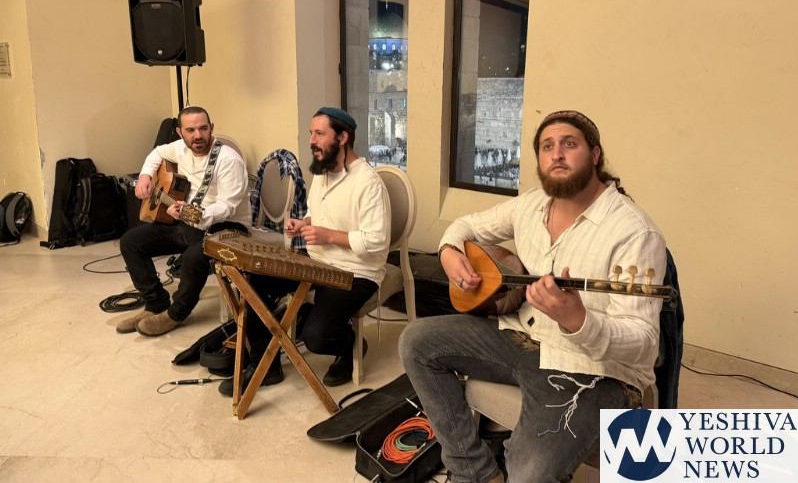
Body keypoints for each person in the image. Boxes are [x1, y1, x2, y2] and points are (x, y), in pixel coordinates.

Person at [399, 110, 667, 483]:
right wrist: (449, 252)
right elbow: (466, 225)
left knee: (529, 474)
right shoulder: (531, 204)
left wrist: (578, 320)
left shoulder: (635, 232)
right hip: (523, 337)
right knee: (416, 341)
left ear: (595, 155)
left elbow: (644, 344)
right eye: (547, 146)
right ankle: (473, 471)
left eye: (569, 144)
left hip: (593, 368)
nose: (557, 154)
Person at [218, 107, 390, 396]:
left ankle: (350, 343)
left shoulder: (368, 182)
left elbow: (376, 241)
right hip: (316, 261)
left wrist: (328, 235)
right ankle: (265, 364)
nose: (312, 141)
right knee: (252, 282)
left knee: (316, 338)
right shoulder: (323, 172)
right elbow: (316, 213)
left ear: (343, 138)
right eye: (312, 133)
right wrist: (304, 224)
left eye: (319, 134)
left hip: (356, 272)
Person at [116, 106, 251, 337]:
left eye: (203, 128)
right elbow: (157, 153)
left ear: (211, 128)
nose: (198, 135)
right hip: (187, 222)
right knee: (131, 242)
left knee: (193, 257)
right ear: (180, 132)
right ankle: (155, 303)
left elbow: (228, 205)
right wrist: (146, 175)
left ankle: (175, 314)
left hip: (226, 227)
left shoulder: (228, 160)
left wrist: (194, 214)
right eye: (190, 130)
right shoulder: (178, 149)